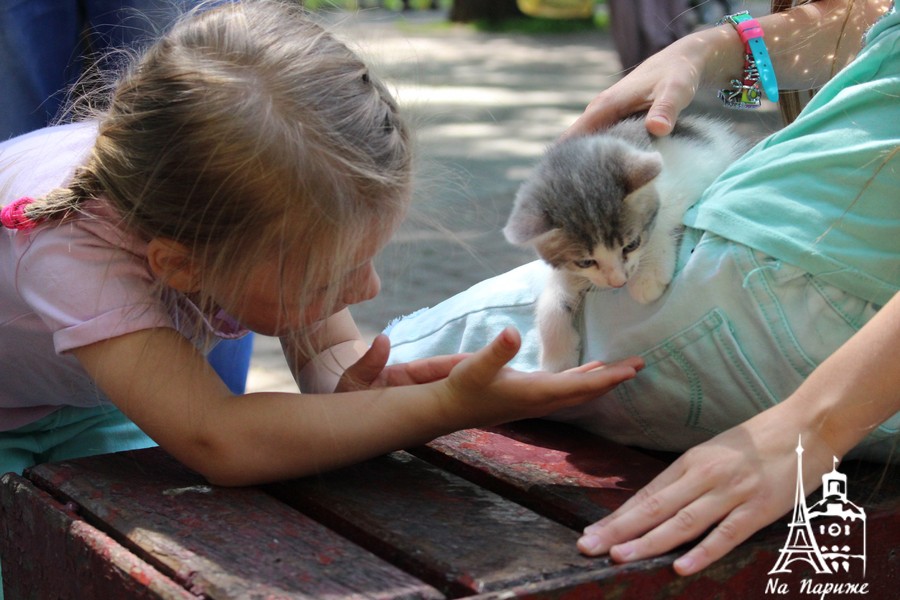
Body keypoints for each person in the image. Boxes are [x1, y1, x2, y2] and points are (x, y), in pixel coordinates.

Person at [0, 0, 643, 484]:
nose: (368, 289)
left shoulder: (260, 202)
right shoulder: (70, 250)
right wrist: (444, 406)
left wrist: (345, 387)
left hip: (88, 399)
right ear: (181, 265)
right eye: (328, 277)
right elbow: (218, 438)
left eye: (364, 260)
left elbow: (328, 351)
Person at [383, 0, 898, 576]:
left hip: (774, 292)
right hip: (824, 316)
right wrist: (710, 48)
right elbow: (879, 25)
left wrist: (814, 424)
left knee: (381, 368)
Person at [0, 0, 255, 394]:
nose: (357, 292)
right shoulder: (68, 244)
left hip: (83, 403)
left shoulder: (297, 190)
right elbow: (210, 426)